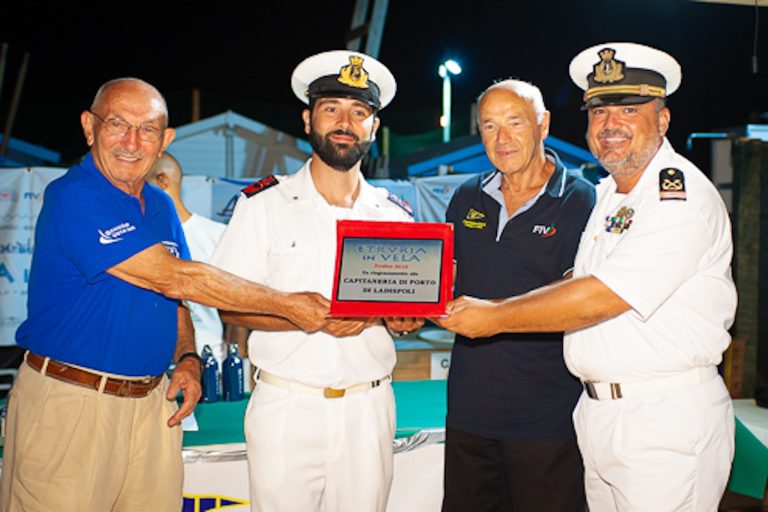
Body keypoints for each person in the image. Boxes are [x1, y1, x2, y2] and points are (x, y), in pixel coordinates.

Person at [0, 77, 329, 512]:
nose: (132, 142)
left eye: (148, 129)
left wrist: (189, 359)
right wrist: (288, 304)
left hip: (152, 406)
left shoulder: (159, 205)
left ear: (166, 139)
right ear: (88, 126)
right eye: (117, 124)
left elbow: (174, 300)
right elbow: (175, 278)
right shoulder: (73, 196)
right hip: (71, 403)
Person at [436, 42, 737, 511]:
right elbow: (576, 280)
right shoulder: (613, 198)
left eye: (630, 110)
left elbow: (601, 296)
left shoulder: (679, 196)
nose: (610, 125)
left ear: (663, 120)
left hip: (662, 417)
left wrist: (494, 315)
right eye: (599, 113)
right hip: (600, 415)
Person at [209, 50, 423, 512]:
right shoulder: (263, 205)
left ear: (373, 128)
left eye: (359, 112)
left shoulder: (396, 216)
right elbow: (229, 307)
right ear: (308, 120)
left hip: (368, 407)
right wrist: (303, 317)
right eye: (331, 109)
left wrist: (405, 318)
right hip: (288, 404)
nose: (345, 122)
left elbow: (407, 309)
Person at [441, 79, 595, 512]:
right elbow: (442, 282)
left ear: (543, 124)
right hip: (470, 412)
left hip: (547, 418)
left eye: (514, 122)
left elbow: (584, 300)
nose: (502, 138)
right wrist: (406, 309)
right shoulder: (467, 195)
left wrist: (496, 315)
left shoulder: (583, 201)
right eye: (489, 126)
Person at [147, 152, 229, 363]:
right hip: (151, 366)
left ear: (162, 181)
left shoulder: (219, 236)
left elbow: (240, 306)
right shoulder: (136, 238)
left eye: (139, 181)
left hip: (209, 364)